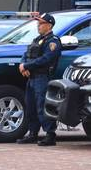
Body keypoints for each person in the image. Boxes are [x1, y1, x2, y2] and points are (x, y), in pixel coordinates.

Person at [16, 13, 62, 146]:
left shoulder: (53, 41)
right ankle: (33, 134)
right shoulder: (37, 39)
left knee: (42, 106)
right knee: (30, 106)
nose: (38, 26)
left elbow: (46, 59)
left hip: (43, 78)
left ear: (49, 25)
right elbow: (26, 54)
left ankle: (50, 135)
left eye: (41, 23)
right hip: (32, 78)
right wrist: (23, 65)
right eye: (38, 23)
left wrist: (27, 66)